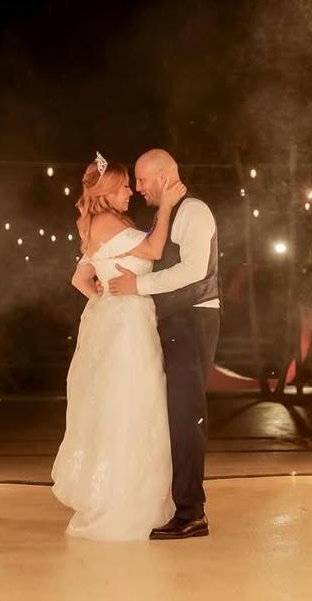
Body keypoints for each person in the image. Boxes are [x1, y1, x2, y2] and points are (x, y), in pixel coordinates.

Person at [50, 151, 186, 541]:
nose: (130, 192)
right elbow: (154, 251)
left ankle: (126, 493)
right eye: (124, 186)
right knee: (131, 405)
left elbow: (79, 279)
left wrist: (102, 298)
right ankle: (124, 502)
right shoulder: (106, 222)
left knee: (125, 404)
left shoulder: (104, 224)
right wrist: (167, 207)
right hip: (127, 327)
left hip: (123, 320)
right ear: (107, 192)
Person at [108, 148, 220, 541]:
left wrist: (138, 285)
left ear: (164, 175)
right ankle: (181, 506)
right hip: (176, 322)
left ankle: (192, 514)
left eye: (142, 179)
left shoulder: (194, 212)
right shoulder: (167, 214)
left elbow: (193, 270)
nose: (138, 188)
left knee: (186, 417)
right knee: (173, 417)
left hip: (193, 321)